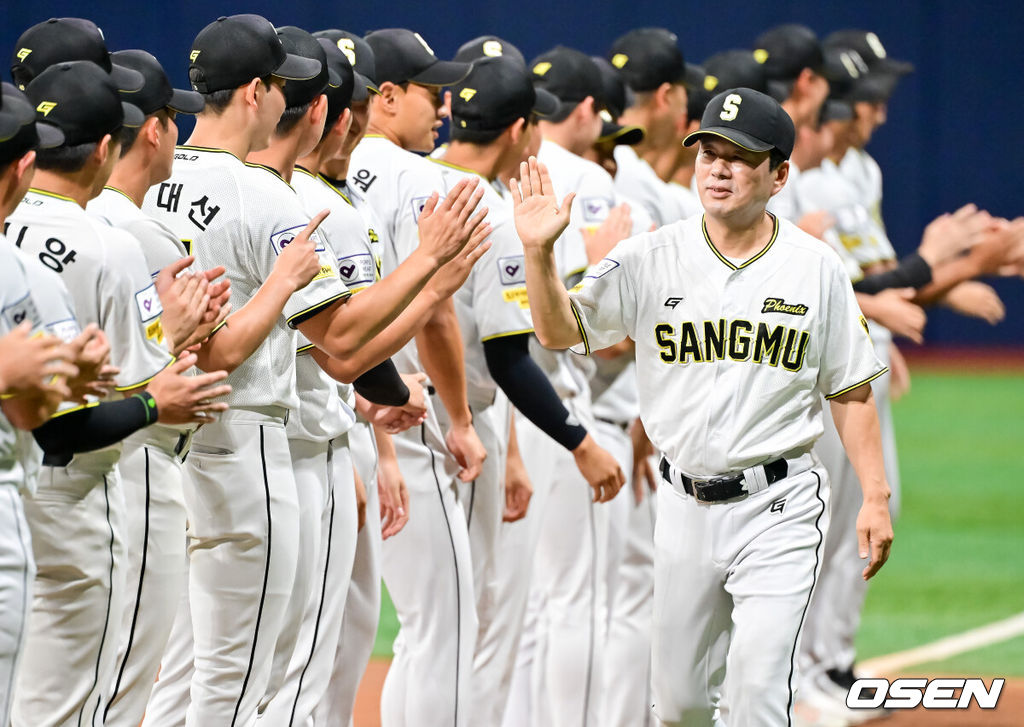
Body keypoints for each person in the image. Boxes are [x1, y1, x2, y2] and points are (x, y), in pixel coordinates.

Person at [140, 15, 486, 726]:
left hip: (166, 437)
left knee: (177, 674)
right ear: (262, 92)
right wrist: (430, 262)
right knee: (259, 678)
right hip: (251, 446)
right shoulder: (268, 195)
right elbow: (344, 344)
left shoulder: (152, 185)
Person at [513, 87, 895, 726]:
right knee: (684, 704)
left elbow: (851, 389)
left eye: (738, 157)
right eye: (708, 153)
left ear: (778, 175)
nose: (718, 169)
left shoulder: (815, 268)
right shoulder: (650, 257)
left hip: (780, 504)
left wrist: (876, 497)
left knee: (758, 691)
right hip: (684, 505)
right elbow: (559, 332)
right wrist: (538, 253)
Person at [8, 58, 230, 727]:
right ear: (107, 148)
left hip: (23, 492)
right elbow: (135, 389)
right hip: (85, 494)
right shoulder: (107, 244)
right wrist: (173, 345)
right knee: (87, 702)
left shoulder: (11, 237)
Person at [347, 28, 490, 727]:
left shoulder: (325, 167)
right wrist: (461, 420)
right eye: (435, 93)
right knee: (444, 625)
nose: (448, 107)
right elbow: (433, 318)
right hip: (400, 406)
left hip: (341, 407)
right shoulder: (420, 179)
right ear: (387, 96)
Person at [81, 49, 223, 727]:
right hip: (132, 463)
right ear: (153, 130)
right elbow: (185, 357)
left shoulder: (72, 220)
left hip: (76, 461)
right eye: (175, 118)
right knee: (119, 684)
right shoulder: (135, 233)